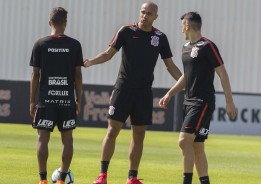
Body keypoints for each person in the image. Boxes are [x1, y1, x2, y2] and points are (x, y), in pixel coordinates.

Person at [84, 1, 182, 184]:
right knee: (112, 131)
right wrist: (90, 62)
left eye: (149, 13)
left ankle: (132, 177)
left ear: (155, 17)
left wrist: (185, 81)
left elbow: (170, 65)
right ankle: (102, 175)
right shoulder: (126, 31)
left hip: (144, 93)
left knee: (139, 135)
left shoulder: (160, 37)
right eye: (143, 12)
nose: (145, 15)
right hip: (123, 89)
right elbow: (108, 54)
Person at [159, 12, 237, 184]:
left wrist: (229, 102)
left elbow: (222, 73)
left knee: (183, 140)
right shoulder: (185, 47)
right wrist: (170, 93)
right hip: (188, 101)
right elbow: (186, 77)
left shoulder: (208, 46)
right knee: (197, 146)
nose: (180, 30)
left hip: (202, 102)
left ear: (187, 25)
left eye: (182, 26)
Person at [29, 7, 83, 184]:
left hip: (46, 100)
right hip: (66, 100)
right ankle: (61, 179)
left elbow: (35, 75)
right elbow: (77, 75)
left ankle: (43, 180)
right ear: (65, 23)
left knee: (42, 138)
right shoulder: (74, 45)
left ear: (49, 22)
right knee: (67, 140)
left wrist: (32, 101)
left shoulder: (40, 44)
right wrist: (78, 99)